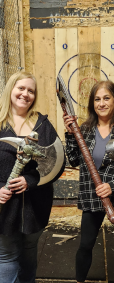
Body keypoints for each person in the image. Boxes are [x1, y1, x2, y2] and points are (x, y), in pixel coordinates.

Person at [63, 80, 114, 283]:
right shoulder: (86, 128)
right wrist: (71, 135)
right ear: (92, 103)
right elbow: (73, 159)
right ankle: (79, 280)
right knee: (85, 244)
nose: (101, 103)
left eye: (106, 98)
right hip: (92, 194)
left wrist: (113, 185)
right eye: (97, 99)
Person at [0, 71, 65, 283]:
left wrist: (31, 181)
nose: (25, 94)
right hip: (4, 208)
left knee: (28, 255)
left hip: (35, 207)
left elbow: (56, 163)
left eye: (31, 91)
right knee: (7, 257)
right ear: (11, 89)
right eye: (21, 88)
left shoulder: (42, 125)